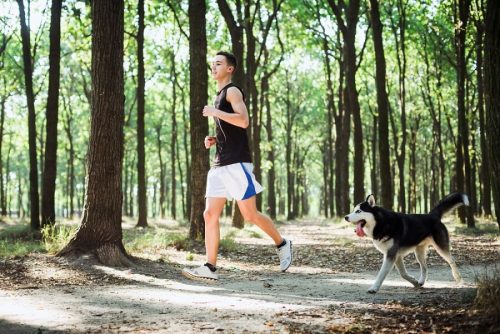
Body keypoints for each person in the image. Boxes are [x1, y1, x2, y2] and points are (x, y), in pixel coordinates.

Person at [182, 51, 293, 281]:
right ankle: (210, 268)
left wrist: (215, 112)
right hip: (220, 163)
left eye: (218, 63)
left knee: (250, 215)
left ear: (229, 69)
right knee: (210, 214)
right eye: (212, 64)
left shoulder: (232, 91)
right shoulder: (219, 95)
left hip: (237, 163)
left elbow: (243, 121)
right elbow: (229, 128)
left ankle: (282, 243)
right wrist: (215, 138)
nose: (213, 67)